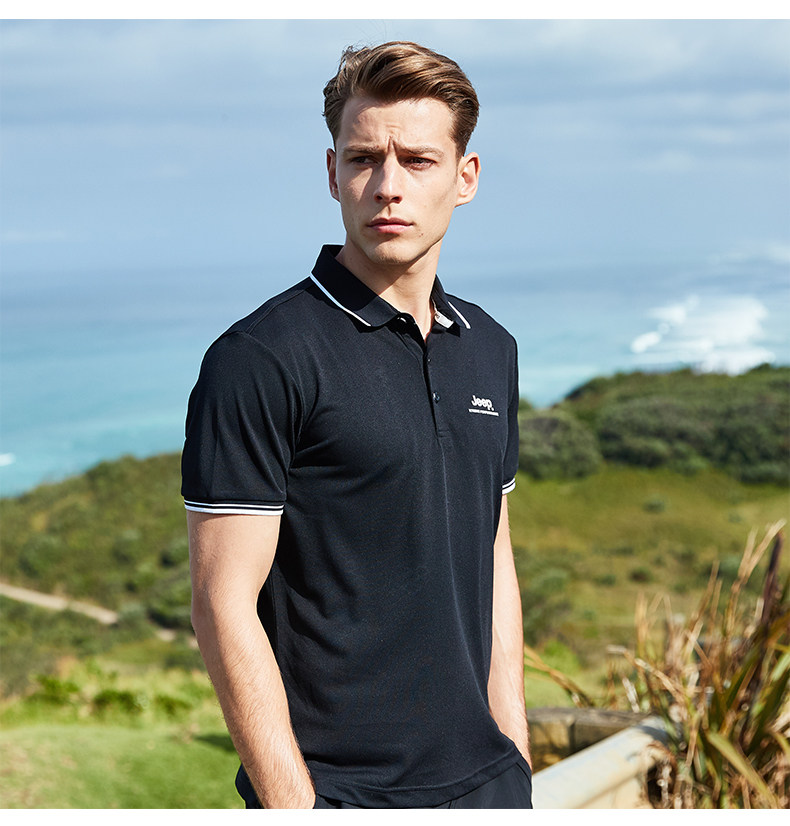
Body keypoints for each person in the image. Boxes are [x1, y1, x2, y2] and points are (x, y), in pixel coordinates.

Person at [181, 40, 532, 809]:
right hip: (342, 795)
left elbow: (493, 552)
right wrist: (297, 806)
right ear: (332, 172)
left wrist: (515, 752)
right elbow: (221, 602)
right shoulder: (260, 358)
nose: (388, 187)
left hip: (490, 787)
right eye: (365, 159)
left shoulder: (491, 348)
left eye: (418, 160)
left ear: (466, 177)